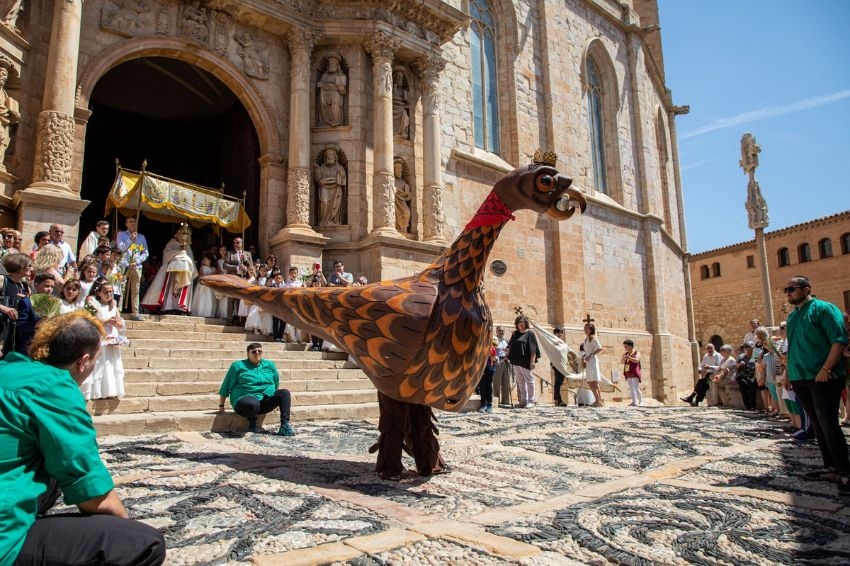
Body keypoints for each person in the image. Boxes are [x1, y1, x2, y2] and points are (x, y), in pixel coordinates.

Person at [0, 312, 166, 565]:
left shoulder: (8, 368)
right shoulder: (53, 389)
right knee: (143, 544)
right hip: (4, 536)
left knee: (52, 470)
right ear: (84, 360)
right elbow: (91, 490)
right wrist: (124, 528)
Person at [781, 276, 849, 495]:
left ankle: (846, 471)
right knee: (817, 425)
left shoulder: (825, 309)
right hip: (801, 377)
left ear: (806, 289)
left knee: (829, 423)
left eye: (792, 289)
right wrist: (788, 373)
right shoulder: (793, 317)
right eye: (786, 290)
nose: (788, 293)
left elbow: (838, 340)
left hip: (823, 377)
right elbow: (792, 347)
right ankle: (831, 468)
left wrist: (826, 369)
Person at [217, 343, 295, 435]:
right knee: (252, 403)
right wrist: (221, 406)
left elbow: (275, 383)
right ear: (248, 354)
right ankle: (252, 423)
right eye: (254, 352)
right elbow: (226, 386)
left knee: (284, 393)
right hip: (244, 402)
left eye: (259, 351)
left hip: (263, 401)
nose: (257, 353)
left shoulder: (269, 365)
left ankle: (284, 426)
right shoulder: (237, 366)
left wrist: (277, 402)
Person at [80, 280, 126, 400]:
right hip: (100, 336)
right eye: (106, 292)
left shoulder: (114, 307)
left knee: (111, 363)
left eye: (111, 292)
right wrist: (105, 322)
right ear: (99, 293)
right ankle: (98, 391)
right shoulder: (94, 305)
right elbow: (90, 321)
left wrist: (117, 323)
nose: (109, 294)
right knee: (101, 363)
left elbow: (120, 324)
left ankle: (111, 390)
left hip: (112, 337)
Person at [141, 224, 197, 315]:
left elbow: (190, 258)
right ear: (175, 234)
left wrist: (185, 256)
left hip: (185, 272)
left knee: (182, 290)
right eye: (180, 233)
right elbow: (166, 255)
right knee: (170, 290)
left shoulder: (188, 246)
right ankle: (169, 307)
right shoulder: (171, 243)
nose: (182, 236)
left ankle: (180, 308)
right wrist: (179, 252)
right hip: (171, 271)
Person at [116, 216, 149, 321]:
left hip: (136, 266)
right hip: (124, 265)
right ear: (126, 223)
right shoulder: (121, 235)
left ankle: (135, 313)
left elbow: (145, 252)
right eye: (130, 222)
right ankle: (118, 311)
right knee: (121, 288)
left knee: (136, 290)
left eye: (134, 222)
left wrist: (137, 261)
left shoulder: (141, 237)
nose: (132, 224)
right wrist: (131, 239)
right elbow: (121, 248)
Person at [507, 315, 539, 408]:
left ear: (525, 323)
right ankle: (523, 400)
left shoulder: (529, 333)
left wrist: (532, 362)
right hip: (516, 361)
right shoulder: (515, 334)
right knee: (520, 381)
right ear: (517, 324)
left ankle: (531, 400)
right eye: (519, 322)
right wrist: (506, 355)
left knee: (529, 380)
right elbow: (510, 346)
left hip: (526, 361)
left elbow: (533, 350)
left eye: (522, 322)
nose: (521, 324)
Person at [314, 146, 346, 225]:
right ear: (325, 157)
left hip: (336, 191)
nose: (329, 156)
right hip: (324, 189)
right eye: (328, 155)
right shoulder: (322, 169)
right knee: (323, 202)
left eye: (331, 154)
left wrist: (326, 180)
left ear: (335, 157)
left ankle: (334, 220)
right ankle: (323, 220)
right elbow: (318, 180)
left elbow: (342, 181)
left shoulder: (340, 168)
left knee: (336, 204)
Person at [316, 53, 346, 127]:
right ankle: (324, 121)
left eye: (333, 63)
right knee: (322, 100)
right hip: (325, 93)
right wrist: (320, 85)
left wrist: (341, 88)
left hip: (335, 94)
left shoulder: (341, 75)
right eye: (330, 63)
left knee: (336, 101)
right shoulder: (325, 75)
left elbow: (343, 91)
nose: (331, 65)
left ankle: (336, 120)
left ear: (337, 65)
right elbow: (320, 84)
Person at [580, 322, 604, 407]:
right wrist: (584, 356)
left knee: (594, 381)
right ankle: (597, 399)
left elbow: (600, 348)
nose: (586, 330)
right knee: (590, 381)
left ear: (591, 329)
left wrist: (590, 355)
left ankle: (599, 400)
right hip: (588, 362)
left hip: (592, 361)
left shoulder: (593, 338)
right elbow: (588, 351)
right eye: (585, 328)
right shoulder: (586, 339)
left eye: (587, 328)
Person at [191, 250, 218, 318]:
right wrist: (204, 277)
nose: (204, 261)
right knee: (201, 298)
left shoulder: (214, 269)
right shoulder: (202, 267)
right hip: (202, 285)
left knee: (209, 298)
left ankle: (208, 313)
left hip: (209, 285)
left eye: (206, 260)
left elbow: (215, 276)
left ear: (210, 260)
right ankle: (199, 312)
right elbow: (200, 275)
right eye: (204, 260)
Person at [735, 341, 758, 410]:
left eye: (751, 349)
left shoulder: (755, 356)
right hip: (742, 375)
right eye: (748, 350)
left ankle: (753, 405)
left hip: (752, 375)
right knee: (743, 385)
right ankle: (747, 405)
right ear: (745, 349)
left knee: (752, 384)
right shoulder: (741, 356)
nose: (750, 351)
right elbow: (736, 367)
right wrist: (740, 364)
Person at [492, 325, 511, 406]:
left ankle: (505, 401)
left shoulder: (506, 341)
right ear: (496, 331)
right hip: (498, 361)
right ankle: (496, 401)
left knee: (506, 382)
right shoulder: (494, 340)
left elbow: (510, 350)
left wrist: (508, 356)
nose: (501, 332)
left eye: (503, 330)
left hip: (505, 361)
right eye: (500, 330)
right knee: (496, 381)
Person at [477, 339, 498, 413]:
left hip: (490, 368)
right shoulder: (480, 346)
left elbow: (495, 357)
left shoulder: (492, 347)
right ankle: (483, 404)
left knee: (489, 386)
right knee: (482, 386)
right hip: (482, 369)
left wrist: (494, 358)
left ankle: (490, 405)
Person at [622, 339, 642, 406]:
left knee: (636, 387)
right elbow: (622, 362)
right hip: (628, 372)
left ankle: (641, 401)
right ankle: (634, 401)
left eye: (626, 346)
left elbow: (637, 360)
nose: (625, 348)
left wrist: (629, 358)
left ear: (630, 346)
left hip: (634, 371)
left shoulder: (637, 352)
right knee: (631, 388)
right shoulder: (626, 354)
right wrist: (624, 358)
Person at [551, 328, 567, 406]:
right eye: (559, 332)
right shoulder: (553, 341)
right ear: (555, 333)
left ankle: (558, 399)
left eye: (561, 332)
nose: (560, 334)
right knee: (558, 381)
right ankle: (557, 399)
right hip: (556, 363)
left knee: (560, 381)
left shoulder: (561, 341)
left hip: (561, 363)